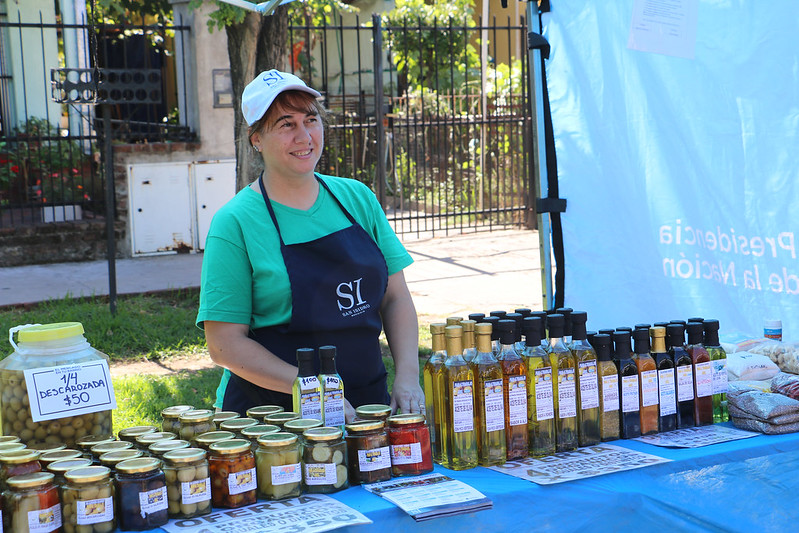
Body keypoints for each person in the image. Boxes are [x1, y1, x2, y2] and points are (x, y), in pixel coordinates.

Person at [196, 69, 424, 421]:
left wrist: (408, 375)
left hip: (366, 404)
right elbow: (224, 344)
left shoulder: (357, 198)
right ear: (256, 139)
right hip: (273, 418)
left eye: (311, 120)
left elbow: (394, 297)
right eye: (286, 124)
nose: (304, 136)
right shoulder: (235, 222)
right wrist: (310, 389)